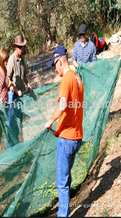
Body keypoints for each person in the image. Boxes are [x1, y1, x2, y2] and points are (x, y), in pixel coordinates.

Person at [45, 45, 84, 217]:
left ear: (60, 60)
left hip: (67, 138)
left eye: (55, 65)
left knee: (61, 183)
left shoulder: (66, 79)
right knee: (66, 179)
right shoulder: (77, 78)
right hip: (77, 137)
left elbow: (62, 106)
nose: (55, 69)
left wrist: (50, 121)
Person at [7, 35, 32, 102]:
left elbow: (24, 76)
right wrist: (16, 91)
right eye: (19, 47)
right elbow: (8, 79)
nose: (21, 49)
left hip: (22, 92)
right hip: (14, 95)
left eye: (22, 47)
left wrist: (28, 85)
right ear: (15, 47)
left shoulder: (22, 59)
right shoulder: (11, 60)